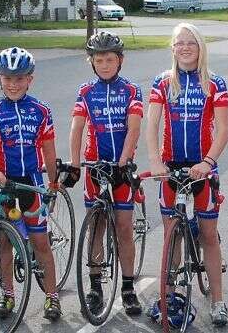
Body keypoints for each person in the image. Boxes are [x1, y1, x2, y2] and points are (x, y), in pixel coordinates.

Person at [145, 22, 228, 327]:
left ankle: (218, 301)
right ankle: (168, 297)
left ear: (200, 48)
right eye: (179, 43)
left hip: (203, 168)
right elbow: (152, 124)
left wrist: (207, 162)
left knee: (208, 235)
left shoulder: (214, 83)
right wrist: (155, 161)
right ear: (172, 48)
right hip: (171, 167)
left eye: (191, 43)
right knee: (172, 237)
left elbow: (223, 131)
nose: (185, 48)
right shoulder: (163, 82)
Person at [0, 47, 62, 321]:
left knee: (40, 243)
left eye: (19, 78)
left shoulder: (41, 110)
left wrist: (53, 183)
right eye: (7, 78)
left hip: (32, 185)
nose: (13, 84)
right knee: (4, 242)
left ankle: (52, 297)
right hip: (4, 185)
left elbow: (49, 151)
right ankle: (7, 295)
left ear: (30, 80)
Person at [69, 31, 144, 315]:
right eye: (98, 60)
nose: (104, 65)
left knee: (123, 226)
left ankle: (128, 287)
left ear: (120, 60)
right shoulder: (86, 91)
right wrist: (75, 162)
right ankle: (95, 286)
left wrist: (124, 161)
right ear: (91, 62)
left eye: (109, 59)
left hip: (121, 165)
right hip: (95, 164)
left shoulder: (131, 90)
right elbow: (77, 127)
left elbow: (134, 128)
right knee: (96, 225)